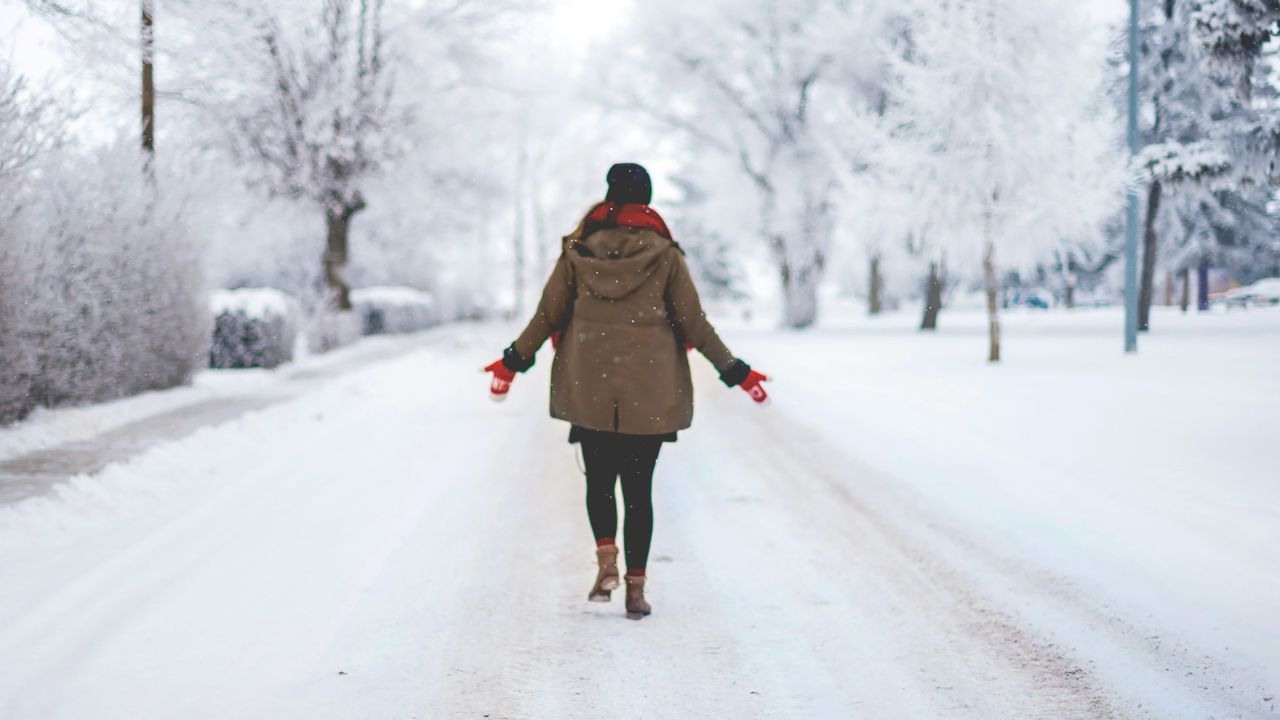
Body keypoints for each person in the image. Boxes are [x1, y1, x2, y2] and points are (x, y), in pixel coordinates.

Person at [484, 163, 768, 620]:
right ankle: (636, 592)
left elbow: (547, 315)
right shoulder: (666, 255)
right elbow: (694, 323)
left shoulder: (578, 251)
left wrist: (513, 361)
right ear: (647, 201)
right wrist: (737, 372)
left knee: (598, 481)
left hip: (588, 384)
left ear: (610, 197)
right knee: (639, 491)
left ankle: (606, 561)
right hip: (649, 388)